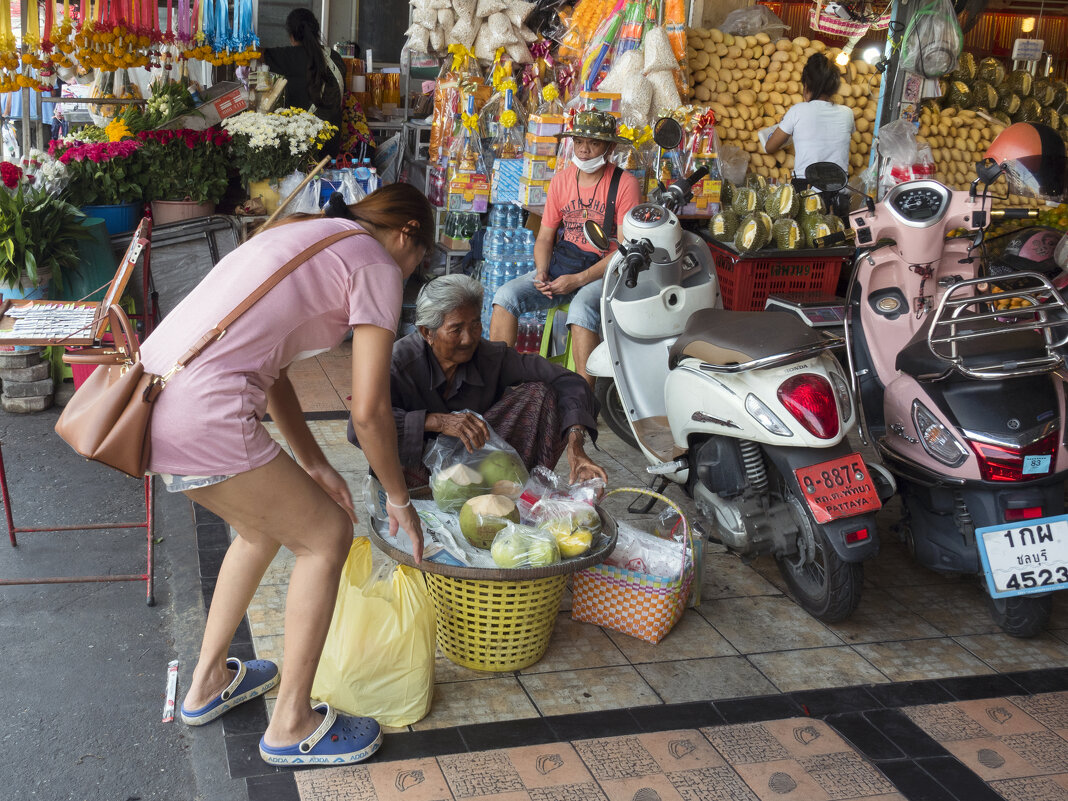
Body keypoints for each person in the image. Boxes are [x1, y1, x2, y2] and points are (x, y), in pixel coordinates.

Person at [139, 183, 432, 767]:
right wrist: (400, 501)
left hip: (154, 403)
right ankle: (291, 721)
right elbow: (370, 409)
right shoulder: (376, 263)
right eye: (421, 258)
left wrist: (316, 463)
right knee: (326, 538)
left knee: (262, 528)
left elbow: (270, 370)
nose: (414, 270)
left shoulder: (302, 232)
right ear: (407, 234)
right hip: (205, 413)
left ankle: (208, 681)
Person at [351, 274, 608, 488]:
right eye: (456, 329)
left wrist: (576, 446)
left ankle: (516, 488)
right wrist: (437, 422)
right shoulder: (399, 362)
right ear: (427, 332)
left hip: (478, 463)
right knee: (386, 436)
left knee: (540, 393)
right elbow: (357, 427)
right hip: (416, 472)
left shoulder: (488, 355)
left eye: (475, 325)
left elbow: (569, 381)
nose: (469, 338)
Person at [488, 110, 641, 389]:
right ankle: (497, 384)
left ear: (609, 147)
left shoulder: (625, 184)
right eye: (579, 141)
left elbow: (623, 250)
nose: (584, 150)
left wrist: (579, 280)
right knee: (506, 296)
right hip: (563, 266)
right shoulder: (561, 181)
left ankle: (582, 399)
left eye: (593, 143)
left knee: (582, 310)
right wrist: (542, 272)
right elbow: (545, 238)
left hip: (603, 272)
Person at [763, 53, 855, 190]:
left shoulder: (797, 111)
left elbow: (769, 147)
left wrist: (788, 128)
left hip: (807, 189)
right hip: (839, 190)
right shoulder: (848, 113)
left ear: (806, 85)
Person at [261, 9, 345, 156]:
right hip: (330, 144)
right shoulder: (335, 58)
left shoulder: (287, 57)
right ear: (317, 31)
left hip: (301, 147)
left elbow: (256, 55)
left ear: (292, 36)